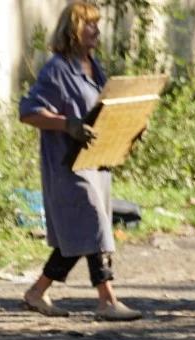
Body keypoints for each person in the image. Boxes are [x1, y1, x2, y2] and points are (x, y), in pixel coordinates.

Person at [18, 1, 141, 321]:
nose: (96, 30)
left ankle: (36, 292)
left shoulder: (92, 66)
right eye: (89, 24)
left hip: (95, 161)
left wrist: (129, 126)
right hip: (67, 164)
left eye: (97, 24)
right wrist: (67, 123)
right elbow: (29, 112)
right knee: (93, 225)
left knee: (81, 232)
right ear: (72, 29)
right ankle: (107, 301)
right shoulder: (57, 69)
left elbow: (101, 109)